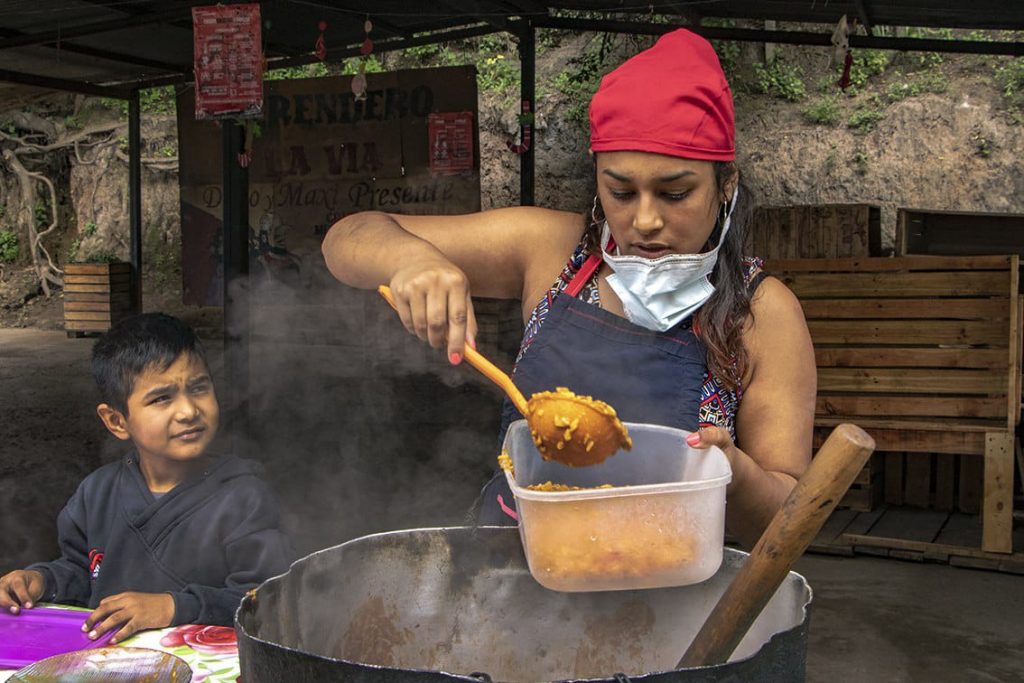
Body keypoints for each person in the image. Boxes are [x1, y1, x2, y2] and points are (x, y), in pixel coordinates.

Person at [321, 29, 816, 548]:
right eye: (621, 191)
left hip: (667, 583)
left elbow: (787, 521)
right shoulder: (551, 250)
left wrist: (732, 471)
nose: (645, 220)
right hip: (509, 569)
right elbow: (347, 237)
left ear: (726, 184)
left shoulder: (762, 312)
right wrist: (411, 259)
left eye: (675, 193)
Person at [0, 313, 293, 642]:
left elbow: (269, 600)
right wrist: (42, 581)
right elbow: (83, 573)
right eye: (161, 398)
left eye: (199, 388)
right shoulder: (96, 494)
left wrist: (173, 607)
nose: (188, 411)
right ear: (116, 421)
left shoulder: (243, 498)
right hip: (110, 662)